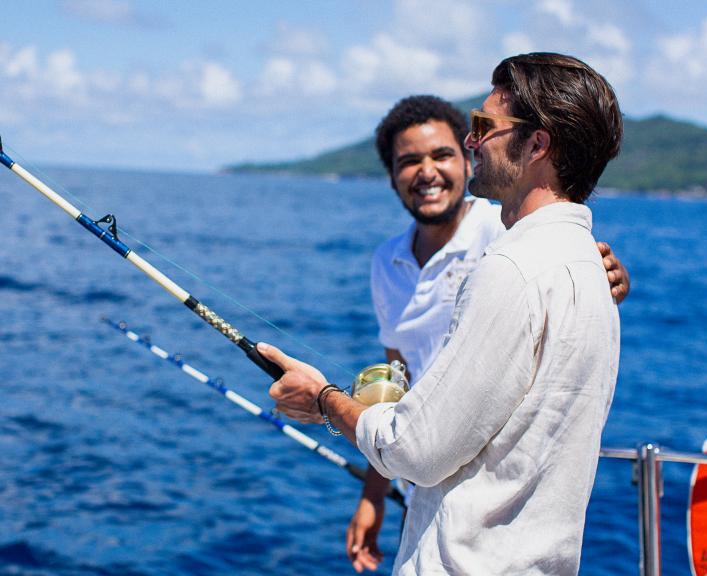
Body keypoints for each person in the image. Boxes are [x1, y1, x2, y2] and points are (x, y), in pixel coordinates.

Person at [264, 52, 624, 574]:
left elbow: (417, 449)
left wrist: (322, 400)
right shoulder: (576, 260)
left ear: (538, 143)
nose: (474, 139)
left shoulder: (509, 264)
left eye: (483, 125)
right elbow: (401, 385)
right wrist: (374, 491)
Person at [347, 96, 630, 572]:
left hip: (483, 514)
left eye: (440, 155)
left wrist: (614, 275)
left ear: (467, 157)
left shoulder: (505, 231)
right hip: (424, 484)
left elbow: (563, 272)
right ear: (392, 174)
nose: (426, 171)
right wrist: (374, 494)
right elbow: (398, 377)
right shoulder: (386, 262)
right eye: (408, 161)